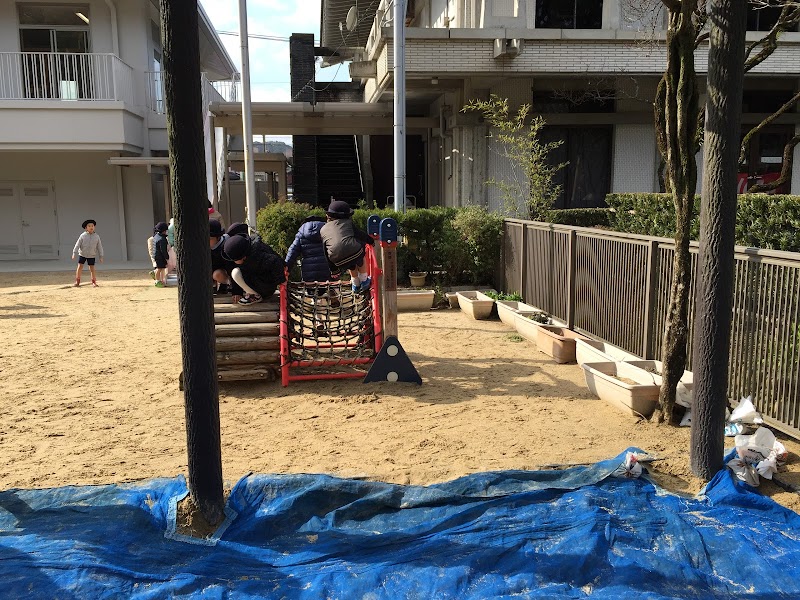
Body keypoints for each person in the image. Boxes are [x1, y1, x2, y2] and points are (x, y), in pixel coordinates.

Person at [320, 200, 374, 292]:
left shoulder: (323, 229)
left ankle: (355, 284)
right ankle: (364, 280)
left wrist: (333, 270)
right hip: (354, 252)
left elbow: (325, 250)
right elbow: (360, 234)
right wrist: (371, 241)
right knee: (359, 250)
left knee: (350, 263)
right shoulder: (347, 223)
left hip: (336, 259)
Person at [222, 227, 286, 305]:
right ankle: (252, 293)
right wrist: (236, 292)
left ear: (243, 257)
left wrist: (281, 280)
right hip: (257, 278)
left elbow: (276, 261)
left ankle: (255, 295)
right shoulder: (249, 251)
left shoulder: (257, 255)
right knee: (236, 271)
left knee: (236, 273)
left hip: (266, 284)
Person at [285, 215, 333, 284]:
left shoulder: (301, 233)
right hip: (327, 269)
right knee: (329, 290)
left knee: (311, 292)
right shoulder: (328, 231)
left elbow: (292, 252)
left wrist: (286, 270)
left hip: (308, 272)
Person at [72, 219, 104, 287]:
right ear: (86, 228)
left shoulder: (97, 236)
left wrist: (101, 256)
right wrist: (74, 253)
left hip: (91, 255)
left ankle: (94, 281)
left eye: (92, 226)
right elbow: (77, 244)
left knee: (92, 268)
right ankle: (77, 281)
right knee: (80, 267)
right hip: (82, 254)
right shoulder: (82, 236)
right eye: (89, 226)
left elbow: (99, 247)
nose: (91, 227)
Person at [209, 219, 231, 294]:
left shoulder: (226, 246)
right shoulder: (204, 248)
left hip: (224, 272)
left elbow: (231, 267)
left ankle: (225, 284)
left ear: (218, 237)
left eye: (210, 239)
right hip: (211, 270)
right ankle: (212, 286)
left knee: (217, 274)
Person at [152, 221, 170, 288]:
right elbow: (163, 250)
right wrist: (167, 257)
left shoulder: (156, 236)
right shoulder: (162, 239)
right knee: (159, 268)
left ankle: (157, 277)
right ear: (164, 230)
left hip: (156, 255)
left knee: (160, 268)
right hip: (160, 256)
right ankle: (157, 281)